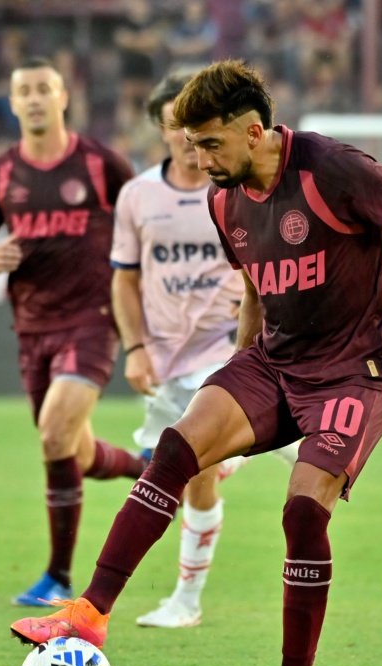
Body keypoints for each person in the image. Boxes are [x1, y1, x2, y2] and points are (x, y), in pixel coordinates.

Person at [11, 59, 382, 666]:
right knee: (177, 447)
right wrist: (236, 373)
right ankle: (89, 613)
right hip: (273, 360)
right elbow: (257, 291)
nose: (196, 157)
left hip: (355, 372)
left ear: (255, 132)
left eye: (209, 144)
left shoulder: (329, 167)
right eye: (190, 143)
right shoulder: (221, 198)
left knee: (301, 510)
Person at [111, 68, 298, 629]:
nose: (186, 140)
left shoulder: (241, 189)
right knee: (173, 465)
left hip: (222, 351)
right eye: (175, 127)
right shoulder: (138, 196)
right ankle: (274, 439)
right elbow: (124, 278)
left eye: (197, 130)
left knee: (194, 469)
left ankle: (186, 600)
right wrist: (136, 347)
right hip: (166, 360)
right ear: (163, 130)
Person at [0, 57, 146, 608]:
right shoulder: (1, 172)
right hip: (32, 325)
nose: (36, 98)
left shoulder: (100, 163)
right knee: (76, 451)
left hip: (92, 318)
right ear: (14, 103)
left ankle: (60, 579)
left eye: (45, 88)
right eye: (25, 91)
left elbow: (143, 218)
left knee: (52, 436)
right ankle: (154, 469)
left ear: (64, 96)